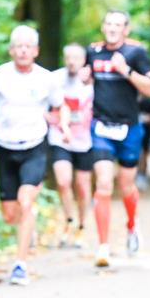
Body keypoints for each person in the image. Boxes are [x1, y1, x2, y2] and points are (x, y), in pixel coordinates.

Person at [0, 25, 66, 286]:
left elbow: (61, 107)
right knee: (10, 214)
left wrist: (64, 124)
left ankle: (20, 264)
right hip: (6, 148)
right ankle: (27, 228)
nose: (23, 50)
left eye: (28, 46)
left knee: (26, 203)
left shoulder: (46, 78)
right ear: (11, 50)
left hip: (35, 147)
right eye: (18, 46)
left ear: (36, 51)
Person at [83, 11, 150, 267]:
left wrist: (126, 71)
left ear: (126, 30)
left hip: (129, 129)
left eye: (118, 25)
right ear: (103, 27)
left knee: (126, 185)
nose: (113, 28)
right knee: (103, 183)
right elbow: (82, 76)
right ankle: (103, 246)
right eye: (109, 24)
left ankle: (132, 225)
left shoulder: (136, 54)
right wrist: (82, 77)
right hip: (101, 127)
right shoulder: (91, 52)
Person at [47, 43, 94, 248]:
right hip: (59, 137)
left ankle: (82, 226)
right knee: (63, 181)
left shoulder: (91, 82)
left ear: (84, 60)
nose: (72, 62)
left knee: (82, 187)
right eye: (68, 58)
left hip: (84, 140)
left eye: (76, 58)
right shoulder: (54, 78)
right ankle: (69, 220)